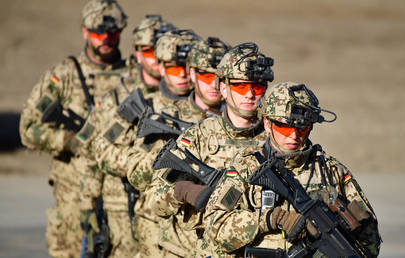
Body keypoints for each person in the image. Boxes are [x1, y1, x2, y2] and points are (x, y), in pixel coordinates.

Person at [202, 82, 382, 257]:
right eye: (284, 126)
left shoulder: (331, 171)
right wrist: (270, 219)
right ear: (267, 123)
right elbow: (214, 227)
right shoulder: (247, 168)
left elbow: (370, 240)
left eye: (301, 128)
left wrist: (356, 227)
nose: (294, 135)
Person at [142, 42, 274, 257]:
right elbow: (154, 200)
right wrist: (185, 192)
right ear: (223, 88)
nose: (250, 94)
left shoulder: (276, 138)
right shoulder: (198, 137)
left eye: (257, 87)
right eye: (241, 86)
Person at [18, 0, 127, 257]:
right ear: (85, 32)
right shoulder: (65, 76)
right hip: (73, 199)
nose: (106, 40)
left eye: (113, 33)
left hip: (119, 200)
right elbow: (28, 128)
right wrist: (69, 140)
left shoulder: (132, 76)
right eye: (99, 34)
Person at [75, 14, 176, 258]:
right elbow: (93, 151)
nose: (157, 58)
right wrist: (89, 203)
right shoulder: (122, 98)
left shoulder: (178, 97)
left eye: (163, 51)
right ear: (138, 53)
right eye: (150, 51)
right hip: (122, 206)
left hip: (165, 207)